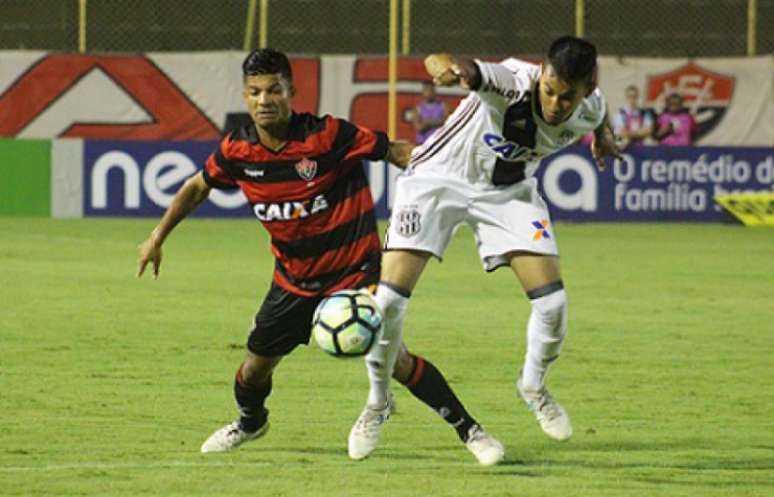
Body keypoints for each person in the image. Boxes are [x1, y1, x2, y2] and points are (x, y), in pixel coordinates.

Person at [136, 48, 500, 465]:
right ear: (245, 97)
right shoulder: (238, 151)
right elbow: (199, 185)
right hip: (292, 281)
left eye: (274, 90)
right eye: (255, 92)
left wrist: (450, 173)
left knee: (393, 357)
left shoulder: (326, 136)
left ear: (292, 92)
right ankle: (251, 422)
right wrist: (157, 236)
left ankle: (470, 430)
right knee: (254, 368)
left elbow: (396, 151)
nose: (265, 100)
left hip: (355, 274)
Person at [349, 36, 622, 462]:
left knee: (553, 304)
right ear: (542, 73)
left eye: (566, 97)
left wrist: (603, 138)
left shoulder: (589, 106)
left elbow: (600, 113)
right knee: (387, 303)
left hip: (507, 193)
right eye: (548, 89)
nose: (553, 103)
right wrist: (444, 63)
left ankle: (533, 386)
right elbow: (467, 68)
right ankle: (378, 402)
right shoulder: (512, 82)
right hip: (437, 180)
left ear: (585, 89)